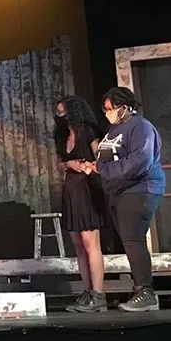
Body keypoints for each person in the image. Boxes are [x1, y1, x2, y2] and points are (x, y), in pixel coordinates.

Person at [90, 87, 165, 312]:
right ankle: (141, 291)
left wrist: (105, 170)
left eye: (110, 109)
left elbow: (140, 160)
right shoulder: (114, 129)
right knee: (129, 240)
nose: (107, 113)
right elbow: (106, 157)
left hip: (139, 189)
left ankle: (146, 292)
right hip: (119, 191)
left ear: (124, 107)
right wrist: (96, 167)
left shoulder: (140, 127)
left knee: (133, 239)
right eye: (105, 110)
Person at [53, 96, 108, 313]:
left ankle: (98, 293)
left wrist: (87, 166)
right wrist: (69, 164)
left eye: (62, 112)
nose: (60, 116)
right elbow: (59, 164)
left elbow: (102, 158)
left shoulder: (88, 131)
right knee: (78, 244)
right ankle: (87, 291)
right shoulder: (62, 135)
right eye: (58, 112)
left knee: (90, 243)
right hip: (71, 188)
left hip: (87, 187)